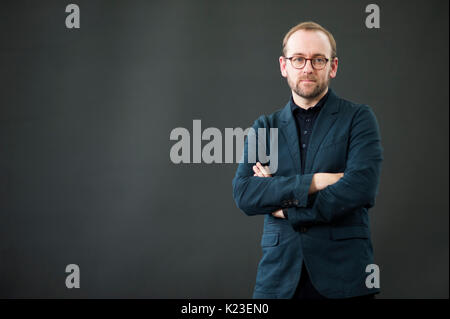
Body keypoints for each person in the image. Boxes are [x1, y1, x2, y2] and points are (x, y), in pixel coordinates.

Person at [232, 21, 383, 299]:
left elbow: (360, 187)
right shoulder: (265, 127)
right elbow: (244, 193)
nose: (308, 67)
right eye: (298, 59)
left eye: (318, 59)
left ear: (333, 66)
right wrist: (315, 181)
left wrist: (287, 208)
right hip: (278, 281)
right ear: (284, 66)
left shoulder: (359, 119)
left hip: (345, 277)